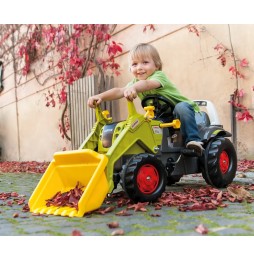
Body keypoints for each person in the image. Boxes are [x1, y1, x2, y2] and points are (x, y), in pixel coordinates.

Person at [87, 43, 204, 156]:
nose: (139, 68)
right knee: (145, 124)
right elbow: (118, 91)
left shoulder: (158, 76)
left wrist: (134, 88)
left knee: (181, 107)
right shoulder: (135, 83)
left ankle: (193, 141)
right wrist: (100, 96)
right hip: (162, 117)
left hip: (180, 113)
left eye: (145, 62)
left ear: (156, 65)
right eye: (134, 64)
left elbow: (147, 84)